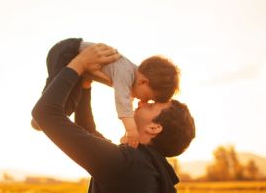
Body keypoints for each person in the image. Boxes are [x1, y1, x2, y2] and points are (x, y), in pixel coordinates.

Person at [32, 43, 196, 193]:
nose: (142, 102)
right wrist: (85, 83)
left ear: (154, 128)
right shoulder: (144, 167)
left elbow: (44, 113)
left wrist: (79, 63)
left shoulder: (129, 165)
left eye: (151, 105)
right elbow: (87, 131)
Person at [31, 38, 180, 148]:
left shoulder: (132, 77)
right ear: (143, 82)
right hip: (66, 52)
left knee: (69, 103)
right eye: (147, 98)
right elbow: (122, 102)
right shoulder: (126, 74)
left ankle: (40, 120)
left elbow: (125, 98)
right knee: (61, 95)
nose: (143, 101)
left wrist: (87, 80)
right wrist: (131, 130)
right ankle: (40, 118)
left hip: (74, 60)